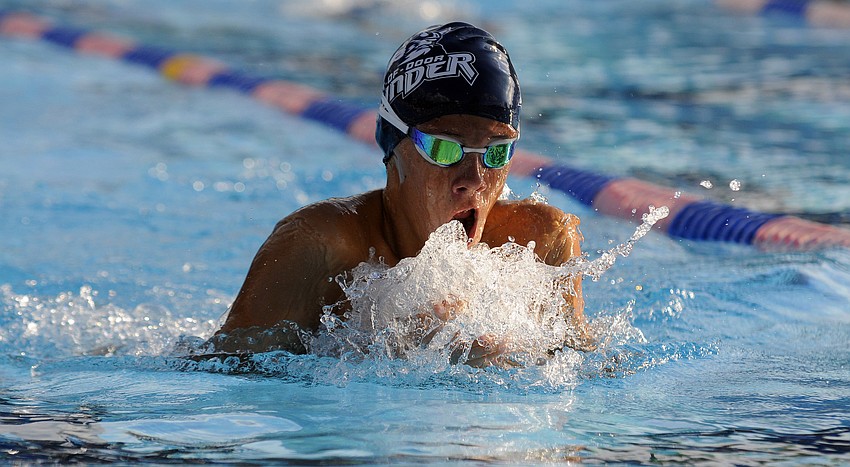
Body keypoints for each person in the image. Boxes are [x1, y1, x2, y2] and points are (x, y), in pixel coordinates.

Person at [213, 22, 591, 365]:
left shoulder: (540, 244)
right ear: (393, 145)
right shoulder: (319, 244)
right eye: (445, 148)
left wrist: (505, 360)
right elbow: (221, 378)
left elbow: (588, 379)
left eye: (496, 151)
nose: (474, 179)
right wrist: (380, 353)